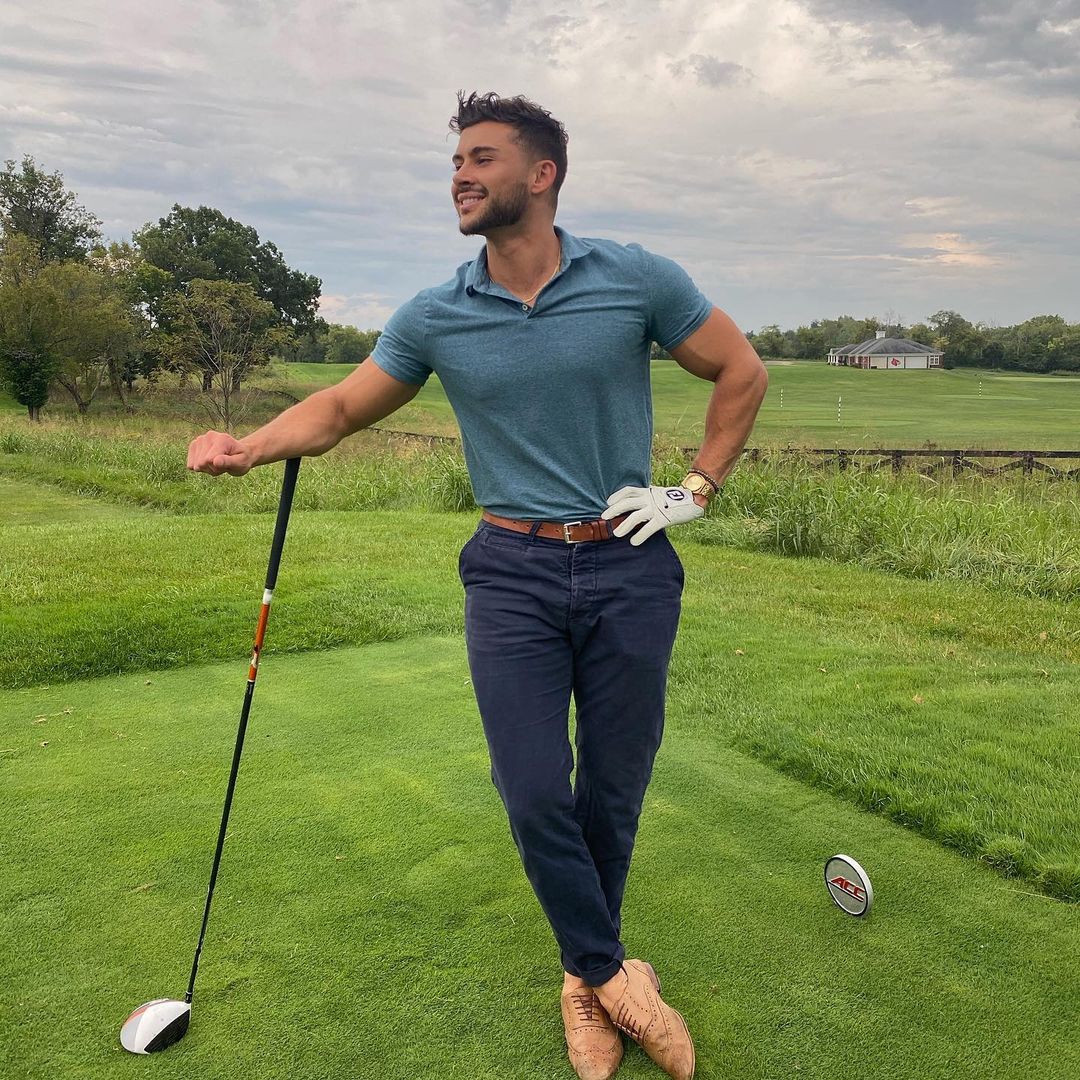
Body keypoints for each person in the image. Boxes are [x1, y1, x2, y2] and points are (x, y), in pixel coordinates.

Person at [188, 90, 767, 1080]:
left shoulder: (634, 278)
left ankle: (582, 983)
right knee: (533, 788)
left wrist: (695, 490)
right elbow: (340, 408)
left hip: (630, 560)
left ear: (542, 174)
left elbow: (741, 369)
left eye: (482, 158)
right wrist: (250, 446)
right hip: (511, 570)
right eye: (456, 160)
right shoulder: (437, 313)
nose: (460, 175)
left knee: (614, 785)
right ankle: (608, 973)